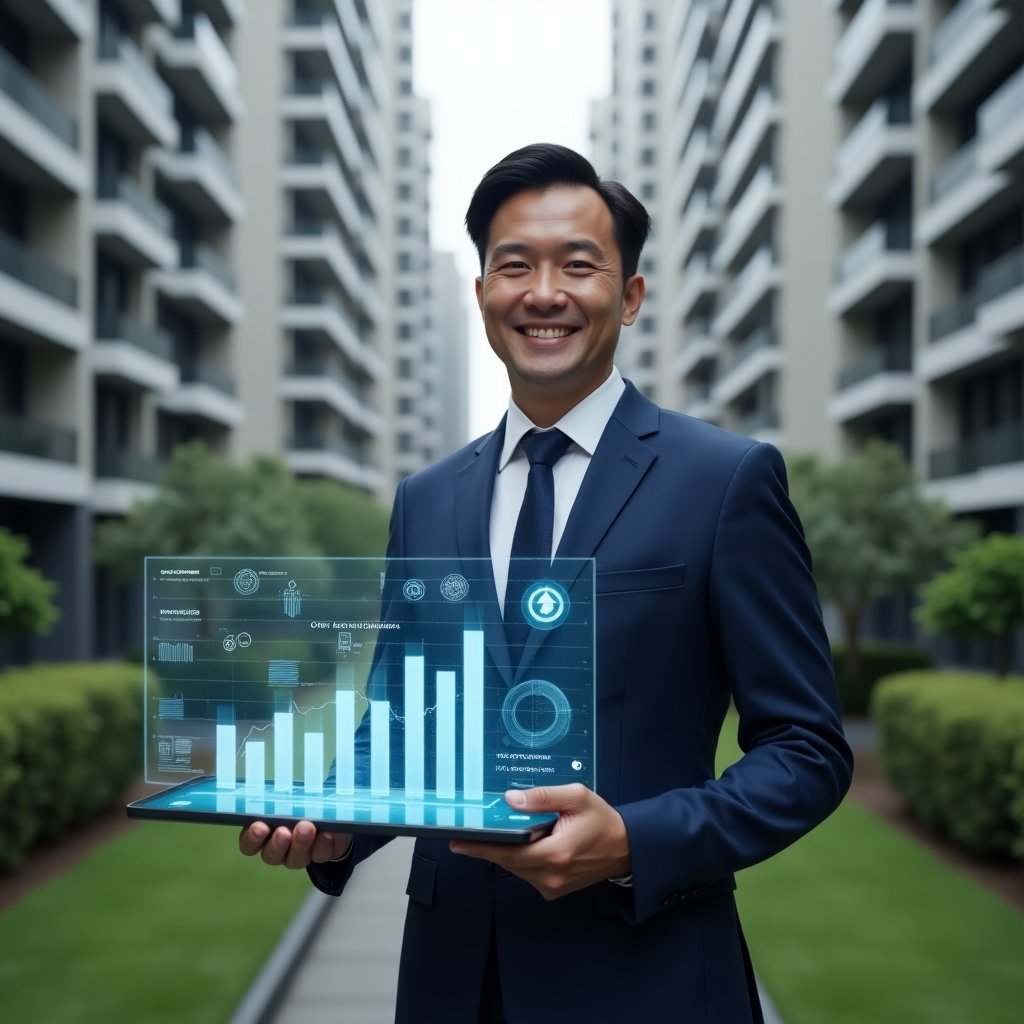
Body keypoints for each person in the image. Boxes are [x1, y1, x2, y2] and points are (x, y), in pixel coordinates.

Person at [240, 143, 853, 1023]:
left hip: (650, 976)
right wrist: (338, 823)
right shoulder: (424, 500)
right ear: (484, 293)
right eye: (513, 265)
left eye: (579, 264)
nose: (544, 292)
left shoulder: (726, 480)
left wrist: (638, 841)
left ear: (631, 295)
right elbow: (404, 723)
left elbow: (808, 749)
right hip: (450, 982)